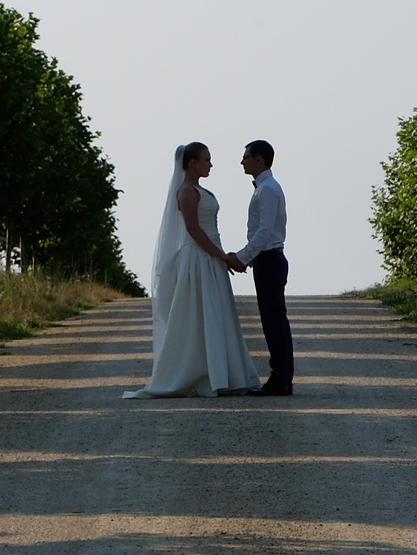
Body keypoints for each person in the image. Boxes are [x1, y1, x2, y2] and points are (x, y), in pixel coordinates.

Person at [124, 142, 261, 398]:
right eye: (206, 159)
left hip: (210, 257)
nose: (210, 164)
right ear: (192, 163)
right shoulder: (186, 192)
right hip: (198, 259)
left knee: (216, 314)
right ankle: (201, 373)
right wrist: (221, 256)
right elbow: (193, 229)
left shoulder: (200, 190)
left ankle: (224, 373)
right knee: (201, 314)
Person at [220, 140, 292, 395]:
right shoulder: (265, 188)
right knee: (275, 320)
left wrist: (242, 257)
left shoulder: (268, 189)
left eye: (246, 156)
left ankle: (280, 379)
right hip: (267, 258)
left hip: (269, 258)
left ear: (259, 159)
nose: (242, 161)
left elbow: (264, 231)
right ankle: (282, 377)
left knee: (274, 321)